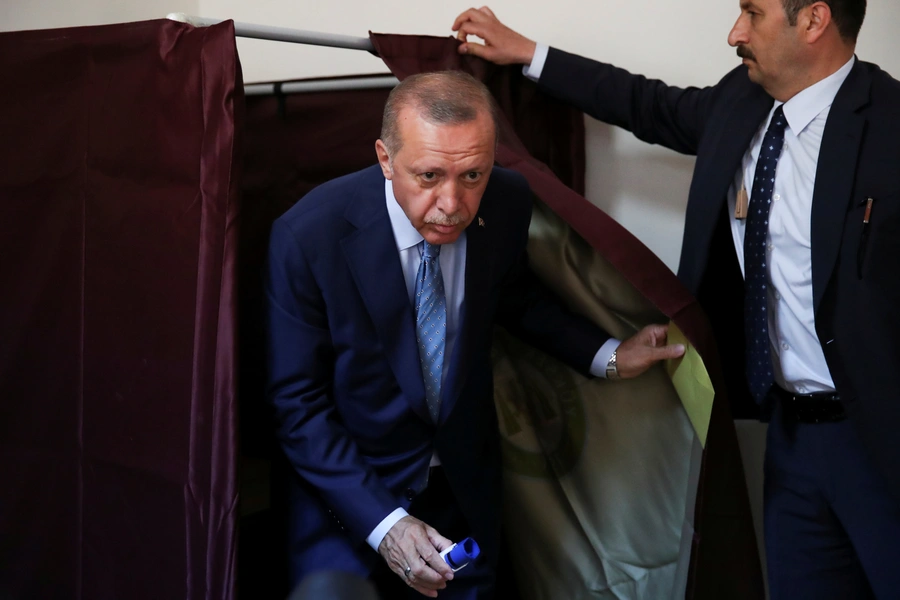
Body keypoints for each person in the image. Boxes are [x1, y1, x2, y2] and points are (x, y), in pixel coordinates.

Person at [452, 2, 900, 598]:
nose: (734, 34)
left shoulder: (892, 125)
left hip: (883, 435)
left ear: (814, 20)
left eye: (753, 14)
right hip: (789, 437)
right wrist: (529, 54)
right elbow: (646, 103)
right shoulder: (739, 103)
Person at [264, 70, 684, 599]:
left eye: (472, 176)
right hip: (347, 504)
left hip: (461, 489)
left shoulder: (507, 201)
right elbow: (297, 405)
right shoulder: (308, 235)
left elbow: (515, 298)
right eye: (429, 176)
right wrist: (386, 524)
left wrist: (608, 354)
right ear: (385, 159)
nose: (452, 204)